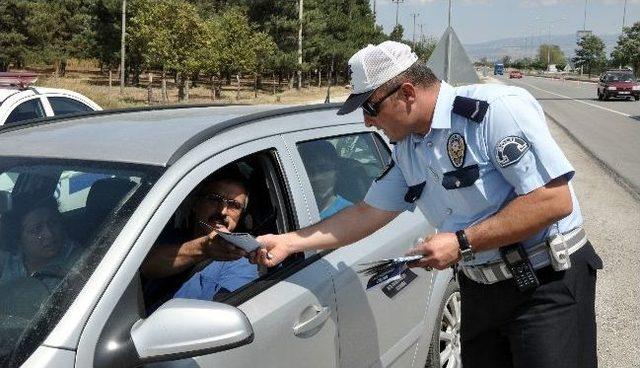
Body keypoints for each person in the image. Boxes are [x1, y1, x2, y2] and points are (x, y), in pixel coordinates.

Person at [252, 41, 602, 368]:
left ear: (406, 93)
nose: (367, 121)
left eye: (370, 107)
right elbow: (365, 212)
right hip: (480, 289)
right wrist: (289, 241)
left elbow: (553, 200)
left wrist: (461, 242)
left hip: (544, 286)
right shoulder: (409, 149)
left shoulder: (495, 112)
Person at [142, 167, 258, 305]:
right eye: (214, 199)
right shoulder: (168, 238)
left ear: (241, 216)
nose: (223, 211)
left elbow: (225, 314)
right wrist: (204, 248)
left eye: (234, 205)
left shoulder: (242, 259)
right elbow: (145, 267)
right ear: (195, 203)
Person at [0, 195, 77, 288]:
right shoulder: (6, 259)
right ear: (18, 236)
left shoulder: (78, 261)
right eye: (37, 229)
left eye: (53, 223)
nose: (49, 234)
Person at [297, 140, 353, 219]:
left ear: (336, 171)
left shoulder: (348, 214)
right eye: (310, 171)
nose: (317, 178)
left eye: (324, 169)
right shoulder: (292, 209)